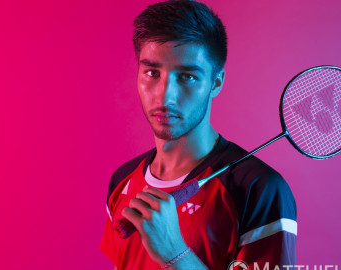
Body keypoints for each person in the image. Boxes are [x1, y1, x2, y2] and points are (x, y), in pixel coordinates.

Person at [100, 0, 297, 269]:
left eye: (187, 77)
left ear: (215, 83)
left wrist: (174, 254)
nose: (165, 95)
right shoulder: (122, 181)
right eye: (152, 72)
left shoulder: (259, 189)